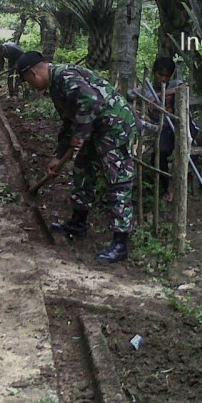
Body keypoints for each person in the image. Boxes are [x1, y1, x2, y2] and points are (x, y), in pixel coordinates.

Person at [16, 51, 136, 264]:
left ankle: (120, 242)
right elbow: (69, 121)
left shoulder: (65, 76)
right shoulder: (55, 85)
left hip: (114, 125)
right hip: (93, 127)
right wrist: (59, 155)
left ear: (33, 74)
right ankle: (78, 223)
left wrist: (79, 137)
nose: (30, 86)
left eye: (27, 81)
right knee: (82, 169)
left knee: (117, 180)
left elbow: (90, 101)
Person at [146, 57, 183, 202]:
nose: (163, 79)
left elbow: (183, 88)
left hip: (181, 126)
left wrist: (160, 95)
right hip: (165, 129)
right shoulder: (147, 88)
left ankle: (181, 186)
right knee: (158, 153)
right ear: (154, 73)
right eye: (160, 75)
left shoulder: (174, 84)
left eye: (166, 76)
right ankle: (167, 187)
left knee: (186, 149)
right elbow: (131, 93)